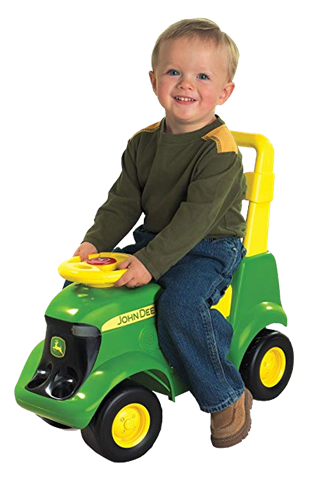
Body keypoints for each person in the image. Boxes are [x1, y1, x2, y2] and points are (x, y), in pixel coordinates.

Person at [73, 18, 253, 448]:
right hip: (157, 239)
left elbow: (195, 219)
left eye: (203, 76)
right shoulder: (142, 143)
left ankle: (225, 394)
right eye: (174, 72)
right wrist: (94, 242)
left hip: (210, 245)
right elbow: (123, 201)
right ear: (153, 80)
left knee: (179, 303)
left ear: (225, 91)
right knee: (102, 292)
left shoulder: (220, 151)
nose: (186, 84)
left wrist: (150, 263)